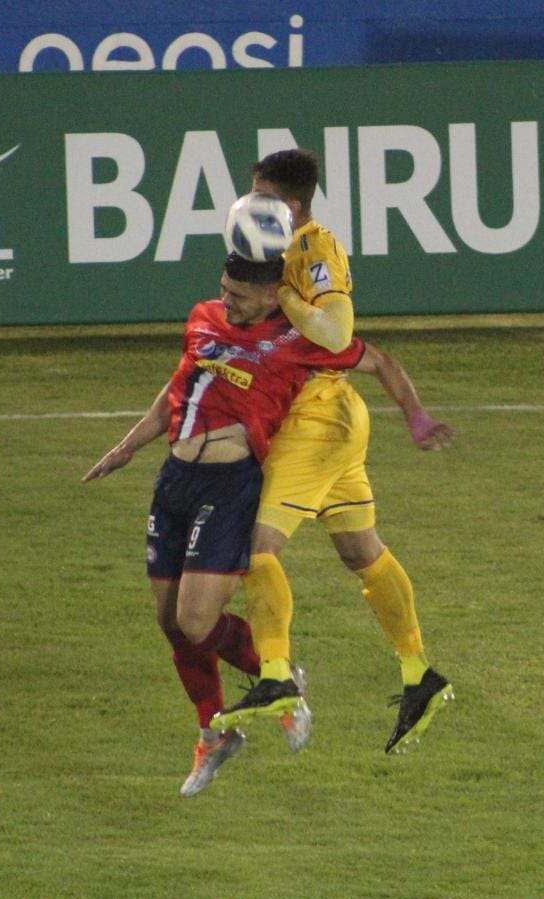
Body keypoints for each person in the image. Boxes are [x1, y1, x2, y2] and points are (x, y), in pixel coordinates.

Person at [82, 251, 366, 796]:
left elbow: (371, 359)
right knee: (170, 620)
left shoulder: (296, 339)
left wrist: (413, 414)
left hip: (231, 486)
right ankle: (215, 733)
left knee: (194, 619)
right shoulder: (204, 318)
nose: (226, 299)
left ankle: (279, 679)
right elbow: (176, 391)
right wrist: (126, 447)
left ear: (269, 296)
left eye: (237, 293)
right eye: (223, 288)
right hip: (175, 482)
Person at [209, 150, 455, 755]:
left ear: (290, 205)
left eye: (261, 196)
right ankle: (419, 673)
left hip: (316, 419)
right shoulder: (274, 249)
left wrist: (282, 299)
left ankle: (273, 677)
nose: (251, 205)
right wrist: (415, 416)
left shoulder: (314, 249)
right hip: (335, 415)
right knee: (360, 551)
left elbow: (340, 334)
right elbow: (369, 355)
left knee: (257, 546)